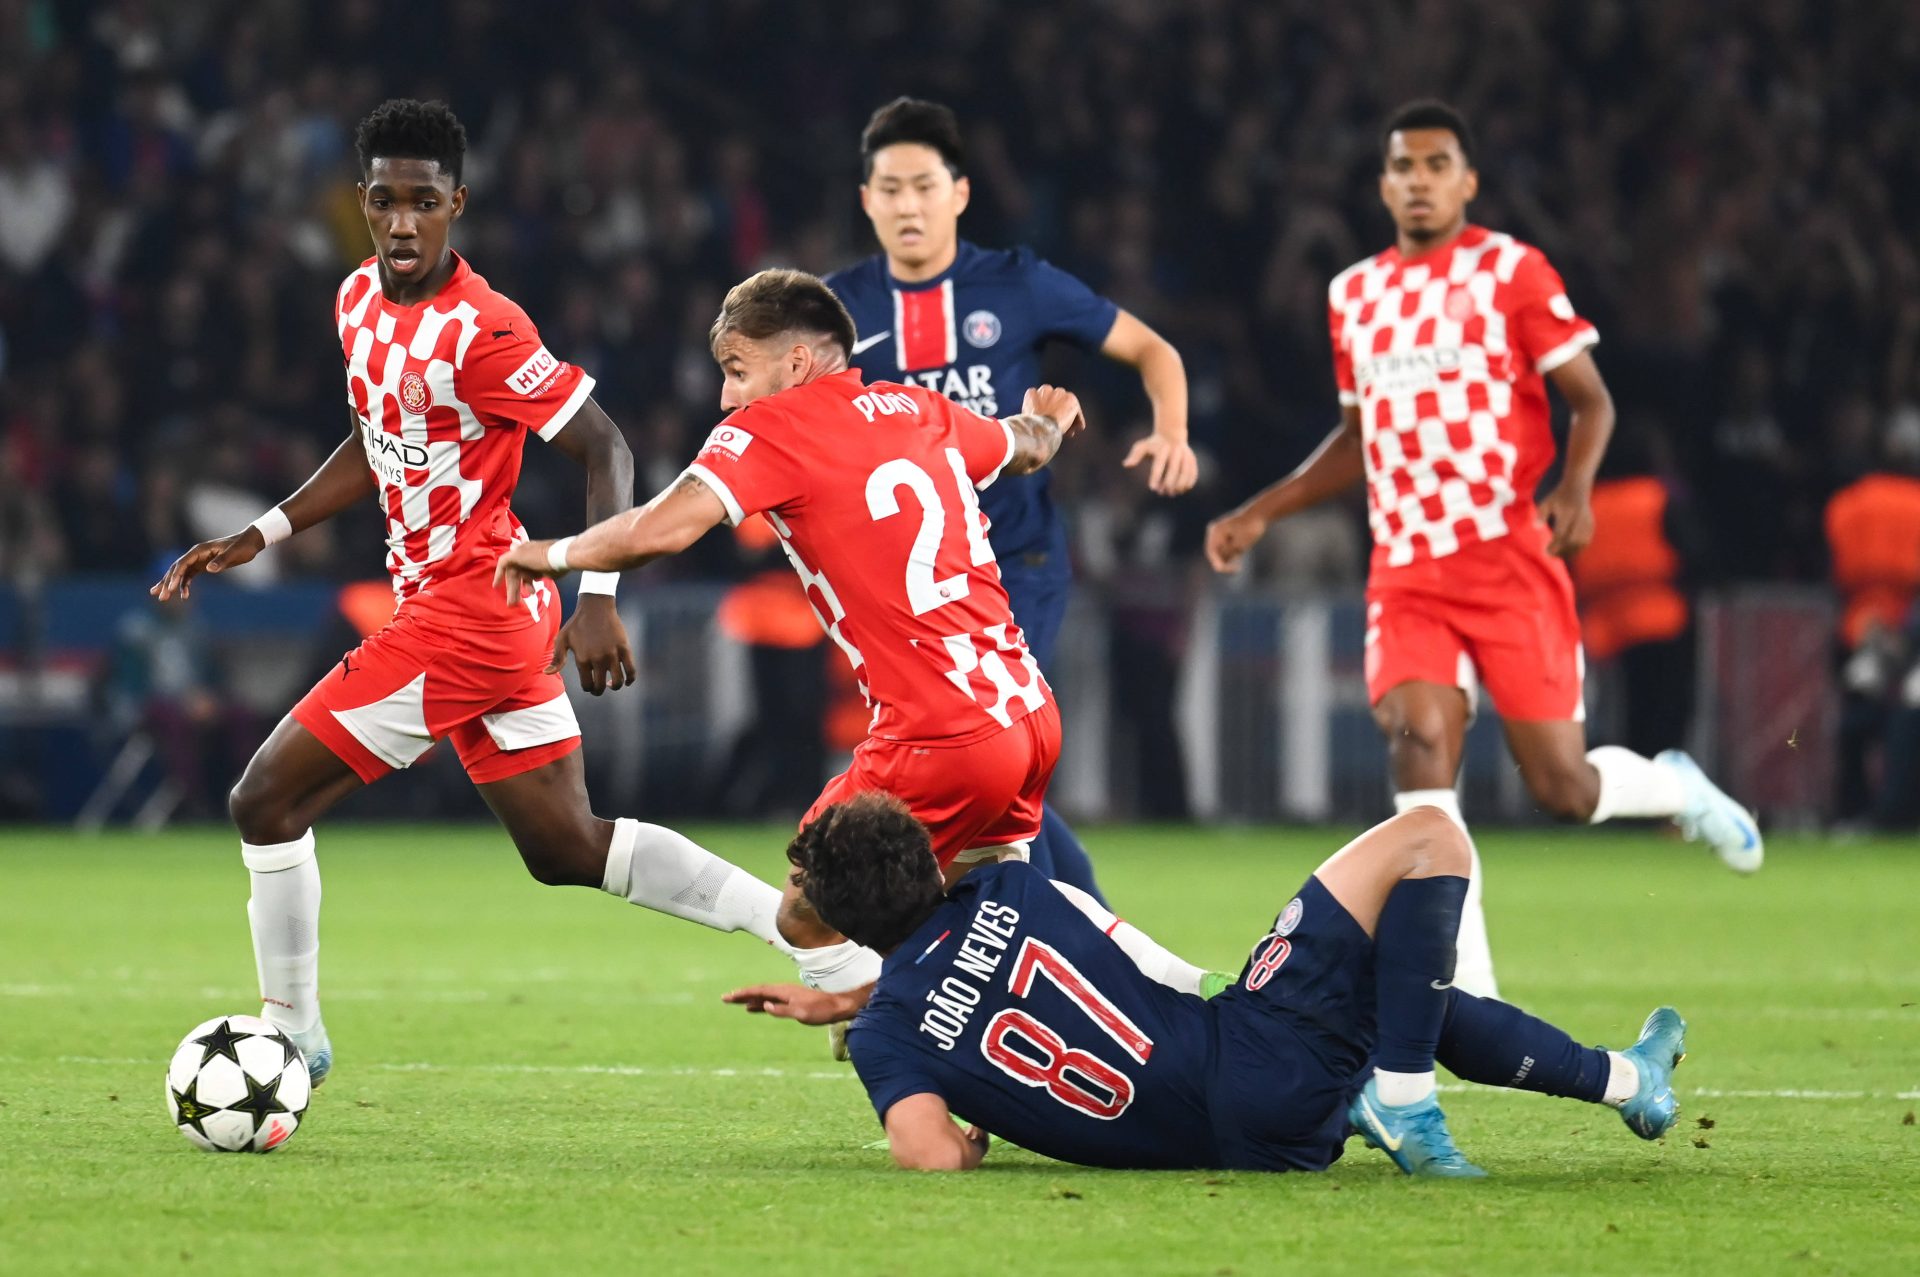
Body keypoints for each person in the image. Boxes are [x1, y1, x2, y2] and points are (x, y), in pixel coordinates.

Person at [149, 100, 796, 1084]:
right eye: (384, 201)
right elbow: (374, 439)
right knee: (567, 846)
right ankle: (801, 929)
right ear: (362, 202)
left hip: (468, 613)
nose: (402, 221)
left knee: (264, 801)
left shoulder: (484, 328)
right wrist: (264, 531)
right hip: (484, 605)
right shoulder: (355, 301)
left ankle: (292, 1035)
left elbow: (607, 447)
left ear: (457, 203)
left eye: (423, 201)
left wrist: (599, 596)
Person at [497, 269, 1219, 1011]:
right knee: (1002, 915)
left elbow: (661, 528)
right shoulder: (921, 408)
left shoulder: (773, 428)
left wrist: (550, 553)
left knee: (805, 914)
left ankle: (886, 1040)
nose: (725, 397)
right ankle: (1199, 991)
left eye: (737, 370)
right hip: (1026, 714)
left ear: (797, 363)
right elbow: (1025, 445)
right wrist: (1052, 419)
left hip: (939, 738)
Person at [1204, 100, 1760, 999]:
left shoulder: (1512, 271)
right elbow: (1357, 439)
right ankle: (1472, 999)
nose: (1419, 181)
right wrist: (1261, 510)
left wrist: (1574, 488)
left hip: (1508, 559)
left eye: (1437, 165)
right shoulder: (1354, 295)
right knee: (1419, 743)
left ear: (1466, 180)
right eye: (1403, 166)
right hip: (1407, 569)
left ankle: (1673, 788)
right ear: (1383, 184)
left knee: (1563, 788)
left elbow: (1592, 400)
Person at [721, 793, 1688, 1176]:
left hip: (1250, 1145)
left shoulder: (889, 1034)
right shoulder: (1007, 885)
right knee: (1429, 837)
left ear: (848, 923)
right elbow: (1124, 955)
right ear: (929, 863)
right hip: (1255, 1051)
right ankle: (1404, 1100)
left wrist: (962, 1127)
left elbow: (928, 1154)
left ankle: (1625, 1080)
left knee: (1379, 987)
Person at [825, 97, 1198, 906]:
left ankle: (1069, 938)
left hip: (1014, 566)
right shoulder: (836, 309)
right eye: (890, 189)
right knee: (988, 769)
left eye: (924, 186)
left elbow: (1152, 348)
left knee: (984, 750)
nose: (908, 205)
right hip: (906, 591)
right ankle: (1090, 937)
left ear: (960, 192)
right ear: (866, 200)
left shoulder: (1017, 283)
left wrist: (1171, 431)